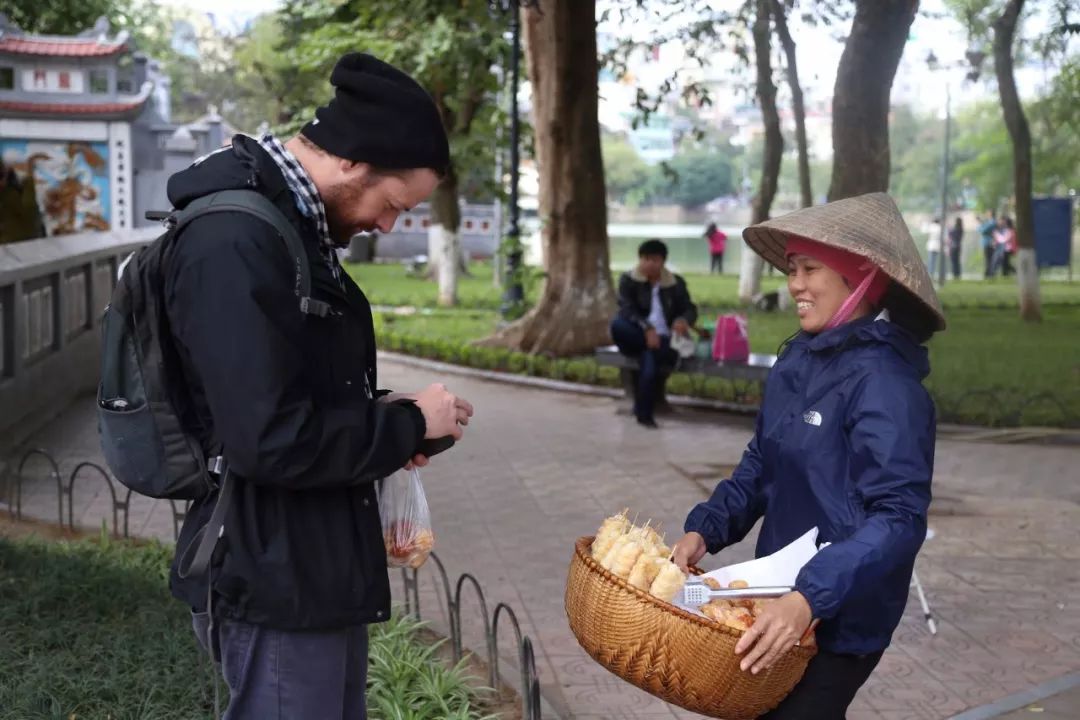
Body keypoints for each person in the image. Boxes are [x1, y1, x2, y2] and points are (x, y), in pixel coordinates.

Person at [164, 53, 474, 719]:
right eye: (393, 205)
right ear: (354, 163)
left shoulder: (290, 232)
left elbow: (293, 395)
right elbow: (269, 440)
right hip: (271, 578)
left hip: (309, 569)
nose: (388, 226)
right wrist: (407, 426)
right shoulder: (235, 241)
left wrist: (395, 417)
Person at [671, 192, 944, 720]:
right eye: (792, 268)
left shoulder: (886, 383)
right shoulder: (798, 360)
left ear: (859, 276)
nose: (795, 283)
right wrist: (705, 528)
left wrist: (811, 597)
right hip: (780, 597)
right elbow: (761, 463)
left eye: (811, 269)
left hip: (842, 617)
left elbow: (898, 518)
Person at [610, 239, 698, 428]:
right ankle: (643, 412)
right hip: (636, 335)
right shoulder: (628, 280)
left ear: (663, 262)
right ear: (640, 259)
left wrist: (682, 321)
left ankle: (644, 414)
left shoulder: (675, 283)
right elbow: (626, 309)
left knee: (648, 361)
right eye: (645, 259)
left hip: (665, 340)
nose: (649, 263)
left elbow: (689, 309)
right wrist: (647, 328)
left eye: (654, 260)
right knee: (617, 324)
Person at [978, 210, 997, 278]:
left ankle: (989, 273)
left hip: (989, 243)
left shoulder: (992, 222)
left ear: (991, 214)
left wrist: (980, 225)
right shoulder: (989, 222)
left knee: (989, 259)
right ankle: (988, 273)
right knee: (988, 259)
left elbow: (983, 230)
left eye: (988, 213)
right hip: (988, 243)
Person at [947, 216, 964, 281]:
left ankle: (955, 274)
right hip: (958, 246)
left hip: (954, 246)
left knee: (954, 261)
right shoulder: (961, 228)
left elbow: (950, 233)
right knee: (957, 261)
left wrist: (949, 228)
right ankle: (958, 274)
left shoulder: (956, 229)